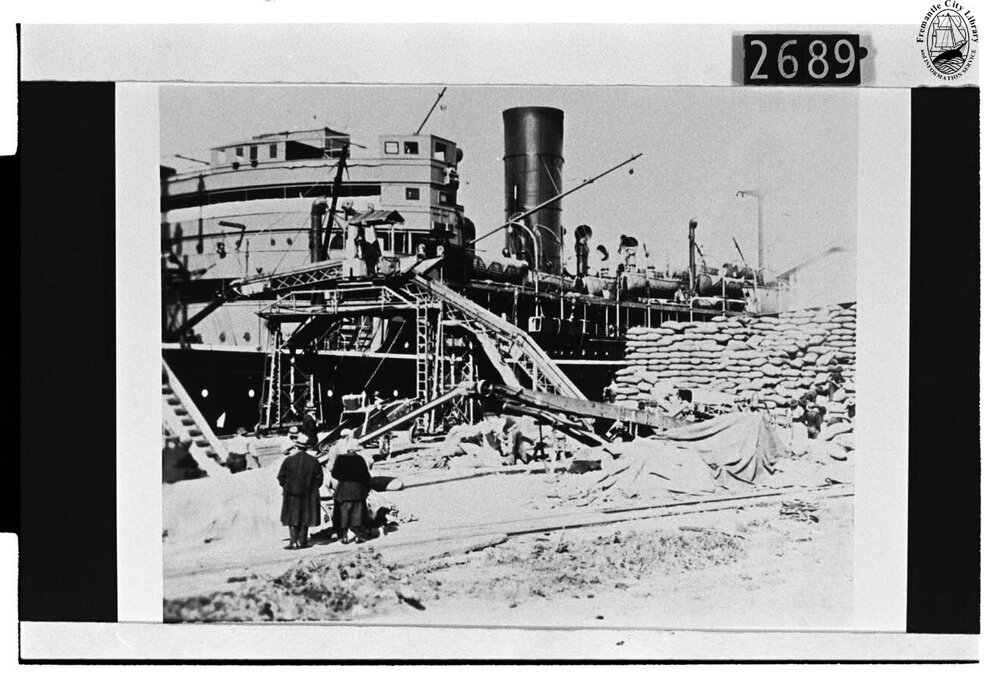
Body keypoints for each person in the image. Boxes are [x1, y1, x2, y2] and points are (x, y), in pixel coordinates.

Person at [276, 433, 324, 550]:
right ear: (306, 447)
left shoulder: (289, 460)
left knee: (293, 517)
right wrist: (312, 488)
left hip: (291, 494)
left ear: (296, 447)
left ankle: (293, 542)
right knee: (305, 517)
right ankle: (303, 542)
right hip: (309, 494)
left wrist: (287, 487)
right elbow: (319, 479)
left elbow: (281, 477)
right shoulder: (313, 461)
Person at [330, 445, 372, 544]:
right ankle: (358, 535)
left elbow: (334, 473)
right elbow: (366, 476)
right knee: (357, 512)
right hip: (358, 489)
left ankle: (344, 536)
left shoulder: (340, 458)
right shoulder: (360, 459)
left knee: (344, 513)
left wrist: (343, 478)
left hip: (344, 489)